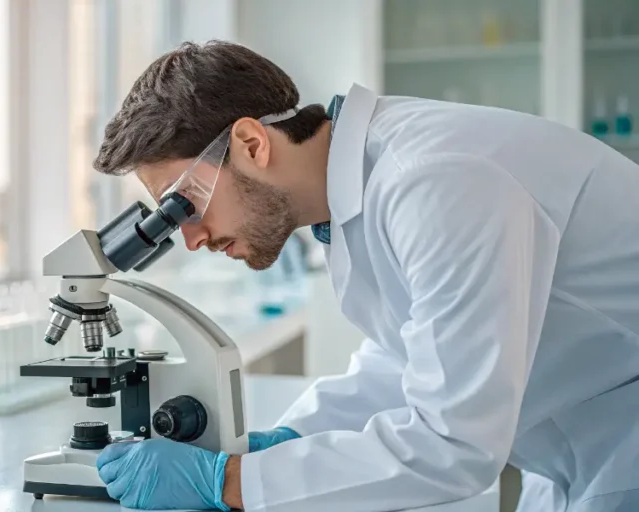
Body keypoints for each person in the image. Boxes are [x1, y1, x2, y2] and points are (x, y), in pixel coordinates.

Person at [91, 40, 639, 512]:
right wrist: (283, 442)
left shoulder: (434, 182)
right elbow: (406, 360)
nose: (191, 237)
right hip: (579, 451)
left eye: (185, 204)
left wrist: (230, 483)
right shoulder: (359, 195)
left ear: (252, 145)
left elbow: (452, 444)